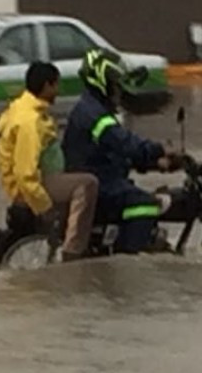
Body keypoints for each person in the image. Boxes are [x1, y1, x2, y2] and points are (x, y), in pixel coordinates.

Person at [63, 49, 177, 254]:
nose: (119, 91)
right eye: (115, 85)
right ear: (103, 82)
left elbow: (117, 154)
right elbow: (124, 142)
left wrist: (155, 163)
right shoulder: (93, 113)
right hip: (98, 183)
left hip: (102, 177)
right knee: (145, 204)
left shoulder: (95, 108)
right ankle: (128, 259)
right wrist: (158, 149)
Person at [0, 62, 98, 261]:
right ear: (46, 86)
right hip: (33, 188)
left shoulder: (25, 109)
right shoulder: (30, 122)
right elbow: (26, 173)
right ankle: (73, 252)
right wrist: (44, 207)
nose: (58, 91)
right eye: (56, 85)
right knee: (88, 184)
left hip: (37, 183)